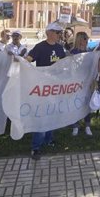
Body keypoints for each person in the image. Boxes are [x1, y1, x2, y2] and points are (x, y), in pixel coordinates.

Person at [25, 21, 66, 159]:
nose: (59, 35)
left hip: (55, 87)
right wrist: (19, 61)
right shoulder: (40, 47)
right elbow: (28, 60)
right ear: (49, 33)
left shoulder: (60, 48)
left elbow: (65, 64)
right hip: (43, 88)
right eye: (57, 32)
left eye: (60, 32)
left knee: (52, 114)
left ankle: (49, 139)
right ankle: (36, 147)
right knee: (42, 117)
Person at [69, 32, 93, 136]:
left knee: (87, 104)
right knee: (75, 104)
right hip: (76, 82)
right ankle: (75, 126)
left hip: (87, 82)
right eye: (84, 38)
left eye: (87, 38)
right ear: (79, 39)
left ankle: (87, 126)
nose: (86, 40)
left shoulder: (89, 52)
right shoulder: (73, 52)